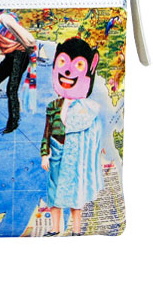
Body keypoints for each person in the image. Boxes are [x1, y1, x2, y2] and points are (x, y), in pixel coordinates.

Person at [41, 38, 104, 236]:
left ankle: (77, 230)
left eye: (78, 66)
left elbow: (93, 137)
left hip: (76, 157)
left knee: (76, 193)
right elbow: (47, 131)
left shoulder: (88, 109)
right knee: (54, 193)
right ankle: (55, 228)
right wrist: (44, 154)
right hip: (56, 154)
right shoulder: (53, 106)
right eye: (63, 63)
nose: (68, 73)